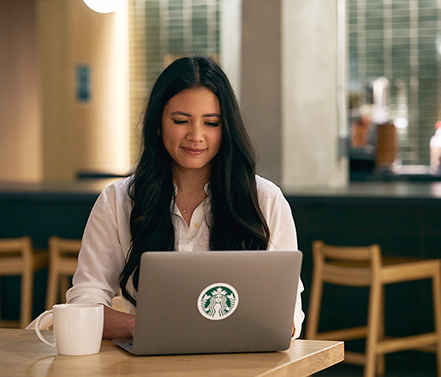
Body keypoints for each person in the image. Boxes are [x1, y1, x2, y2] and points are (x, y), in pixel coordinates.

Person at [66, 56, 305, 339]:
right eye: (181, 121)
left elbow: (289, 319)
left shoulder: (265, 200)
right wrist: (145, 325)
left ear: (226, 129)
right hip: (146, 365)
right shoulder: (118, 201)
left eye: (211, 123)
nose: (196, 136)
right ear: (158, 123)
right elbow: (84, 303)